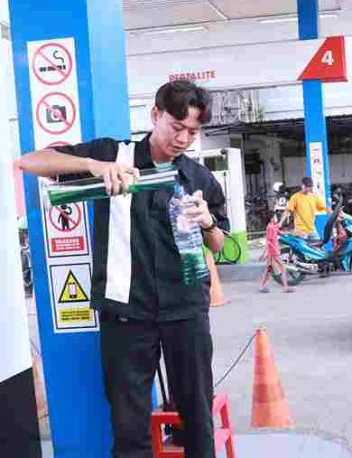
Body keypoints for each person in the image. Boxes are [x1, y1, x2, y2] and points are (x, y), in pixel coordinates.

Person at [17, 80, 228, 458]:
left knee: (197, 416)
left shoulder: (199, 178)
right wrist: (93, 166)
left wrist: (208, 223)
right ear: (155, 115)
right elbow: (30, 161)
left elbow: (220, 245)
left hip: (186, 311)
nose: (182, 138)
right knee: (129, 424)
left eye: (193, 132)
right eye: (176, 127)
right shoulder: (113, 155)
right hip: (126, 313)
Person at [259, 211, 293, 294]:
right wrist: (264, 254)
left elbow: (280, 232)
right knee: (282, 268)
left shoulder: (272, 227)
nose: (276, 218)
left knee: (268, 269)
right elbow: (268, 242)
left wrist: (291, 232)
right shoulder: (270, 228)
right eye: (275, 217)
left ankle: (262, 286)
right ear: (271, 218)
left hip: (273, 251)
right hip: (274, 252)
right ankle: (285, 287)